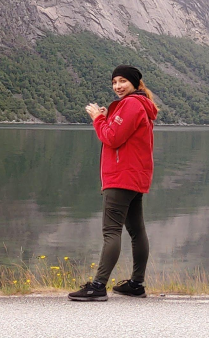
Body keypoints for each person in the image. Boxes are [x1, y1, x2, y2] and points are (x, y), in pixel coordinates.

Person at [68, 64, 159, 301]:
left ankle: (98, 286)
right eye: (114, 82)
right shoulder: (141, 105)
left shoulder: (131, 104)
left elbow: (112, 137)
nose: (117, 86)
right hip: (135, 176)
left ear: (135, 84)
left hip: (121, 177)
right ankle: (136, 284)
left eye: (122, 81)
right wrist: (108, 118)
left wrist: (98, 119)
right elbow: (123, 134)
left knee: (111, 232)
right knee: (137, 231)